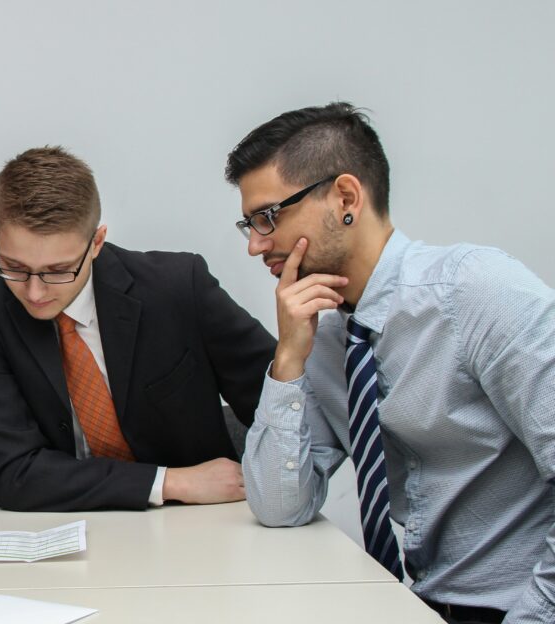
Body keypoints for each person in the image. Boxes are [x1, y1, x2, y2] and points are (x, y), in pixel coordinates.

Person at [229, 102, 555, 624]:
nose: (255, 245)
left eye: (269, 217)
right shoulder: (326, 332)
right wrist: (288, 358)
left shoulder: (477, 292)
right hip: (416, 603)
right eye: (248, 223)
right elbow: (278, 507)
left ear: (346, 198)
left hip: (518, 604)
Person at [0, 146, 275, 512]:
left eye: (58, 270)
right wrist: (171, 481)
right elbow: (14, 473)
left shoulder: (178, 288)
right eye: (13, 266)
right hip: (54, 526)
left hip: (199, 523)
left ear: (96, 242)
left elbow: (280, 409)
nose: (34, 292)